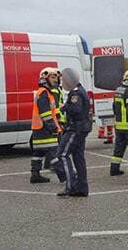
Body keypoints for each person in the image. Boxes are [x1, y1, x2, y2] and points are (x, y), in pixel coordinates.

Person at [52, 68, 92, 197]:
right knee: (78, 158)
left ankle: (71, 186)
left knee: (62, 155)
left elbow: (76, 109)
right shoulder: (80, 91)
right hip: (80, 128)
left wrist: (65, 107)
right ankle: (81, 187)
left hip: (75, 129)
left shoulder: (76, 93)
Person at [30, 67, 63, 183]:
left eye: (56, 77)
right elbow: (45, 113)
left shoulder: (45, 92)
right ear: (45, 79)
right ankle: (64, 176)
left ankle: (35, 175)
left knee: (38, 153)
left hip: (38, 128)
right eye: (53, 77)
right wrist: (52, 127)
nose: (56, 80)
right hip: (44, 128)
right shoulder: (44, 93)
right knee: (54, 152)